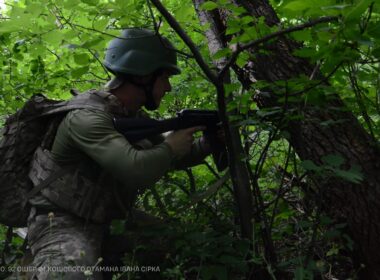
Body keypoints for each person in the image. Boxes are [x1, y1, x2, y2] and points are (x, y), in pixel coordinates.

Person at [24, 28, 214, 280]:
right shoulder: (87, 118)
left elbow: (175, 157)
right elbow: (137, 169)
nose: (168, 87)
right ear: (144, 75)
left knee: (192, 250)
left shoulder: (129, 116)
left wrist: (209, 141)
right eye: (165, 77)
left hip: (109, 220)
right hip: (60, 222)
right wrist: (170, 146)